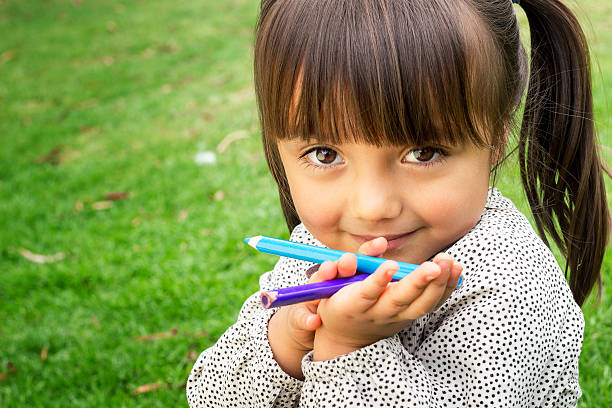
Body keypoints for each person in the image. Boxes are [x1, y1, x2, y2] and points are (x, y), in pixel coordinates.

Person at [187, 0, 610, 405]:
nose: (373, 208)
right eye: (325, 154)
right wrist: (288, 339)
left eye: (423, 152)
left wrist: (347, 348)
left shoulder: (508, 284)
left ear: (497, 133)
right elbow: (208, 397)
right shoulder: (315, 251)